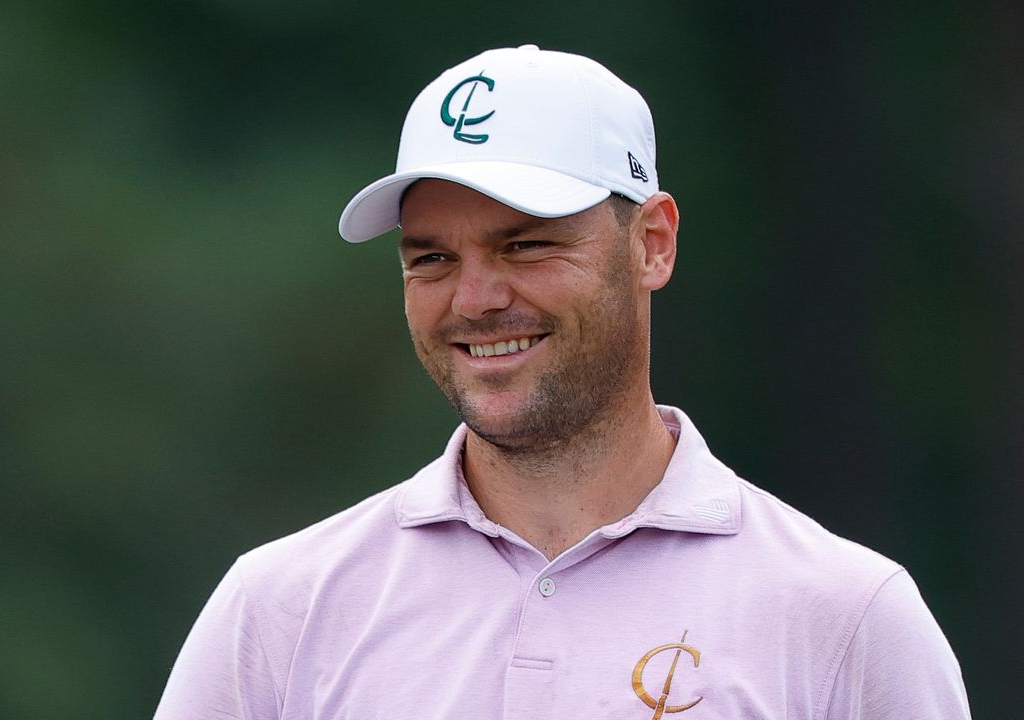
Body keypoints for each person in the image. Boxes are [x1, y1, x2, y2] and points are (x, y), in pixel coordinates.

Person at [155, 45, 970, 719]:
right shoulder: (279, 612)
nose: (474, 300)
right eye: (431, 257)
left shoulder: (846, 620)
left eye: (527, 246)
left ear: (652, 243)